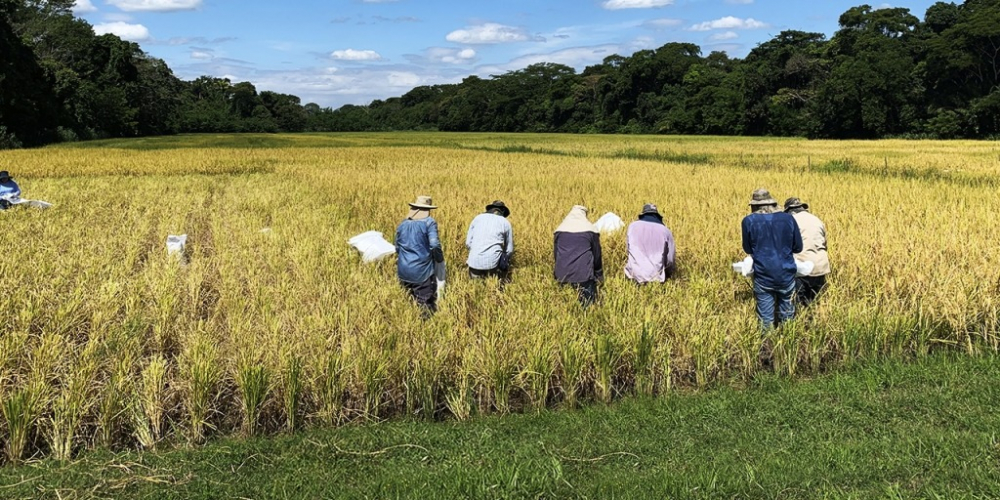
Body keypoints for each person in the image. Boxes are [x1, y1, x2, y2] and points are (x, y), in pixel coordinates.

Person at [741, 189, 803, 331]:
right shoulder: (788, 218)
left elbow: (748, 249)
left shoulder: (748, 221)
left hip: (763, 275)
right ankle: (788, 345)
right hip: (786, 273)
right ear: (773, 203)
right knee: (788, 316)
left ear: (754, 206)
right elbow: (798, 247)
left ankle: (768, 348)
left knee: (766, 320)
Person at [396, 195, 443, 317]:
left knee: (408, 301)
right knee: (424, 303)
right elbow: (434, 244)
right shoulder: (429, 222)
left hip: (403, 269)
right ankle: (424, 328)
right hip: (422, 271)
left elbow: (397, 247)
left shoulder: (403, 224)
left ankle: (408, 322)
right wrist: (439, 259)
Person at [784, 197, 830, 306]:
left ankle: (798, 322)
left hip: (801, 266)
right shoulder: (817, 219)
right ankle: (813, 321)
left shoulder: (790, 221)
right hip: (821, 266)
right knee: (813, 303)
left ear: (789, 210)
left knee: (797, 303)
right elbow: (824, 244)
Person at [554, 205, 603, 307]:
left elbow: (556, 254)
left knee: (565, 306)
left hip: (562, 274)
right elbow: (597, 254)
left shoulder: (559, 230)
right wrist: (598, 273)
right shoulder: (590, 230)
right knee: (587, 304)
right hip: (583, 274)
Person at [624, 203, 676, 284]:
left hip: (633, 278)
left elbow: (628, 250)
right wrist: (668, 274)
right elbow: (670, 261)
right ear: (657, 216)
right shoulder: (666, 231)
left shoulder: (632, 226)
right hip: (656, 280)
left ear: (643, 215)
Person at [465, 200, 514, 282]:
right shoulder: (505, 222)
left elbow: (468, 243)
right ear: (503, 211)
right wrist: (503, 259)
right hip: (492, 264)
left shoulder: (477, 218)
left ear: (490, 209)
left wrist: (477, 251)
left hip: (474, 262)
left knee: (476, 288)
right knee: (493, 286)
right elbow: (509, 250)